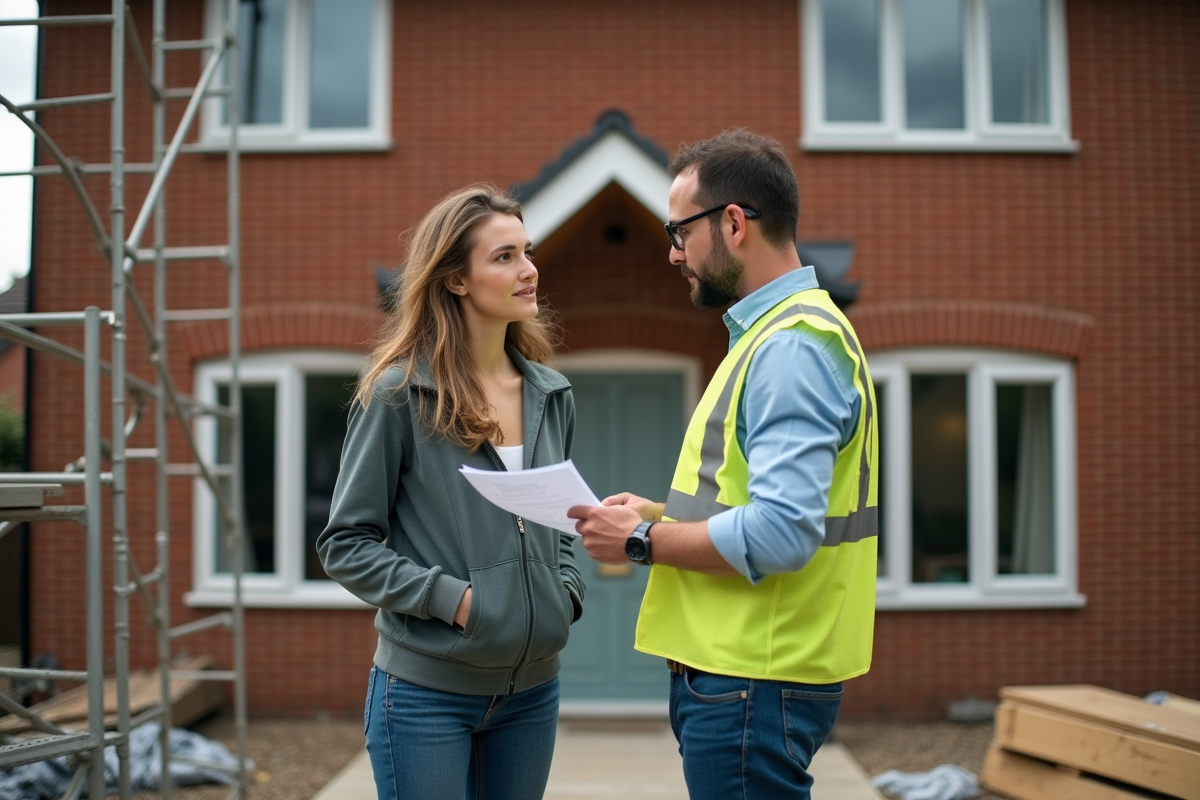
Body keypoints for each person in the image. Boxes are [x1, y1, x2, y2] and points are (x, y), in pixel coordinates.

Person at [568, 130, 878, 800]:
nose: (673, 252)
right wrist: (656, 513)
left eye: (679, 231)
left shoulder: (790, 349)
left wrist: (640, 539)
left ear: (734, 223)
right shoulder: (784, 337)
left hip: (751, 678)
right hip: (753, 676)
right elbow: (761, 507)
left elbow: (781, 533)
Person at [317, 186, 585, 800]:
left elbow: (560, 518)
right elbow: (346, 544)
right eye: (504, 257)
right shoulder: (398, 395)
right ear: (456, 279)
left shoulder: (551, 394)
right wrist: (457, 602)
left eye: (527, 251)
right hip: (424, 697)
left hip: (532, 694)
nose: (529, 270)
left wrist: (563, 593)